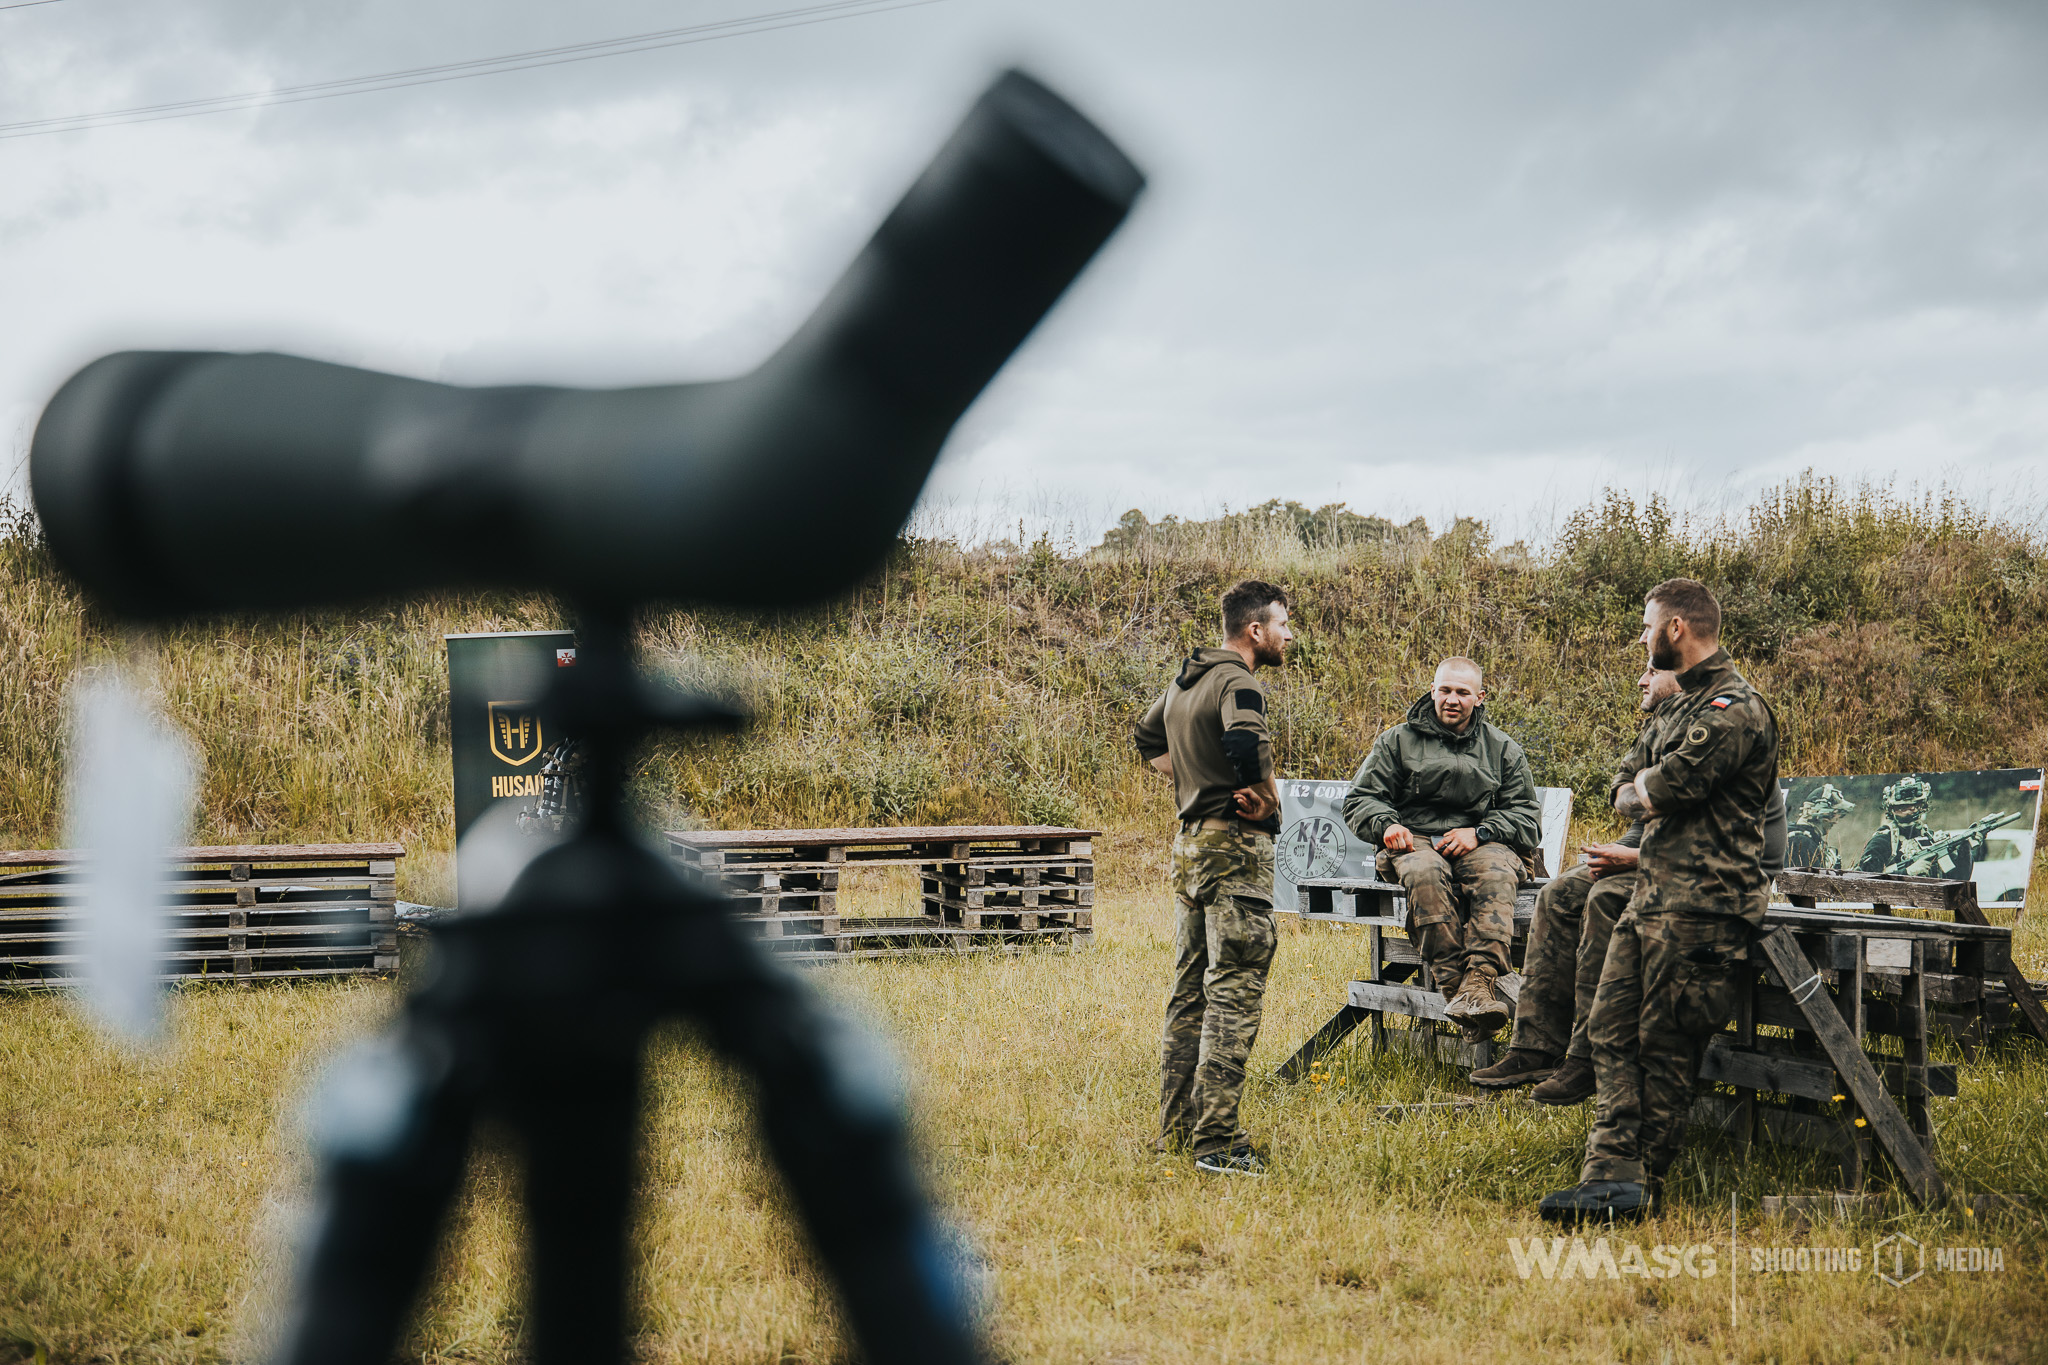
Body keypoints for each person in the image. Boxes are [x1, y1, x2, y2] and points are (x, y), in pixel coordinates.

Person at [1540, 578, 1779, 1224]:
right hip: (1650, 900)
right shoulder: (1677, 710)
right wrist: (1641, 788)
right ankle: (1607, 1172)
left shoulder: (1734, 710)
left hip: (1704, 911)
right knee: (1608, 1029)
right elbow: (1625, 787)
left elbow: (1664, 786)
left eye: (1647, 628)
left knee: (1665, 1044)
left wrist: (1645, 787)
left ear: (1677, 628)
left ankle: (1641, 1179)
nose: (1641, 640)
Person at [1133, 579, 1292, 1177]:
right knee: (1234, 989)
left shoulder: (1187, 680)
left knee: (1189, 989)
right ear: (1255, 630)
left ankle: (1177, 1130)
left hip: (1190, 846)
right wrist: (1254, 794)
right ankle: (1217, 1142)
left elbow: (1147, 736)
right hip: (1235, 848)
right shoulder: (1239, 681)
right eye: (1282, 624)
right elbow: (1245, 738)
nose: (1287, 635)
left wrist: (1189, 779)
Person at [1470, 667, 1681, 1098]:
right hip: (1645, 848)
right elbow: (1623, 794)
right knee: (1558, 893)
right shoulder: (1661, 723)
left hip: (1685, 865)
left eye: (1652, 670)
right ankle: (1535, 1047)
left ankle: (1585, 1056)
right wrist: (1625, 841)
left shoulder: (1717, 725)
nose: (1640, 679)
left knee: (1603, 898)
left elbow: (1713, 833)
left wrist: (1636, 855)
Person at [1341, 657, 1541, 1036]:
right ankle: (1460, 990)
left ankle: (1479, 982)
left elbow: (1527, 817)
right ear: (1432, 690)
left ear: (1479, 697)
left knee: (1498, 871)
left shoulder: (1502, 749)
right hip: (1414, 838)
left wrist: (1480, 833)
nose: (1452, 699)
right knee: (1424, 872)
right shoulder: (1396, 740)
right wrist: (1387, 825)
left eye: (1462, 692)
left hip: (1479, 839)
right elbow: (1361, 799)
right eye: (1445, 690)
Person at [1858, 775, 1980, 879]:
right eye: (1903, 807)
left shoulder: (1930, 838)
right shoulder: (1883, 841)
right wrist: (1907, 872)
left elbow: (1960, 879)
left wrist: (1966, 847)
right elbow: (1866, 879)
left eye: (1916, 805)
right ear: (1892, 809)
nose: (1911, 810)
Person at [1786, 783, 1855, 870]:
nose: (1836, 822)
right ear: (1821, 814)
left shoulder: (1809, 840)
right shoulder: (1800, 843)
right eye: (1834, 815)